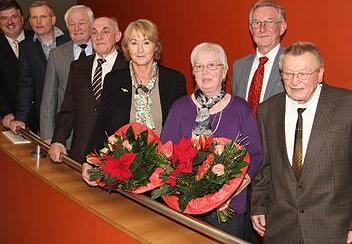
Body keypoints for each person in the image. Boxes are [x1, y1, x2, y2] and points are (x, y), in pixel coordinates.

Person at [251, 41, 352, 244]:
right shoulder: (268, 110)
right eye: (288, 74)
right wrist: (258, 205)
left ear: (320, 74)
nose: (295, 81)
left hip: (333, 227)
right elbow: (265, 166)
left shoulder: (347, 105)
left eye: (303, 74)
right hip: (281, 227)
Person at [160, 42, 262, 241]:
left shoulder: (240, 108)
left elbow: (256, 157)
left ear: (224, 72)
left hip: (229, 209)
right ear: (193, 73)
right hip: (186, 207)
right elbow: (165, 154)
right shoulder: (179, 108)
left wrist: (228, 194)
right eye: (198, 66)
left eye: (212, 65)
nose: (204, 71)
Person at [82, 19, 187, 185]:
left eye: (146, 42)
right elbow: (102, 123)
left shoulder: (174, 80)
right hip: (123, 170)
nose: (139, 49)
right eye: (133, 42)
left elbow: (183, 129)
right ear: (126, 48)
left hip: (164, 172)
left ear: (156, 46)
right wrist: (89, 160)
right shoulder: (114, 80)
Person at [48, 17, 127, 164]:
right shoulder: (78, 67)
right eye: (94, 32)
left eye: (105, 31)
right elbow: (68, 110)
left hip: (116, 158)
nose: (99, 37)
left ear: (117, 36)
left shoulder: (129, 68)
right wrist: (58, 140)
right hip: (80, 154)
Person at [10, 0, 69, 134]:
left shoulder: (69, 39)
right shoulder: (26, 47)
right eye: (34, 17)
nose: (38, 21)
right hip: (44, 114)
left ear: (53, 19)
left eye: (43, 17)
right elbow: (26, 84)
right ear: (30, 21)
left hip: (71, 110)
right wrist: (20, 117)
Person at [40, 5, 94, 146]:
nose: (77, 28)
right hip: (65, 135)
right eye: (71, 24)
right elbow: (48, 98)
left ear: (91, 24)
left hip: (97, 133)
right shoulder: (57, 55)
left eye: (81, 23)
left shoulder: (106, 51)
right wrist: (48, 136)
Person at [232, 0, 287, 115]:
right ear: (251, 29)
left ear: (282, 27)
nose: (262, 29)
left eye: (269, 22)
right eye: (257, 23)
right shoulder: (239, 67)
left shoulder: (294, 63)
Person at [0, 0, 34, 129]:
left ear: (22, 18)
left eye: (14, 16)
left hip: (43, 117)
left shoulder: (37, 39)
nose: (10, 22)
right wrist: (6, 112)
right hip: (11, 118)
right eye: (4, 18)